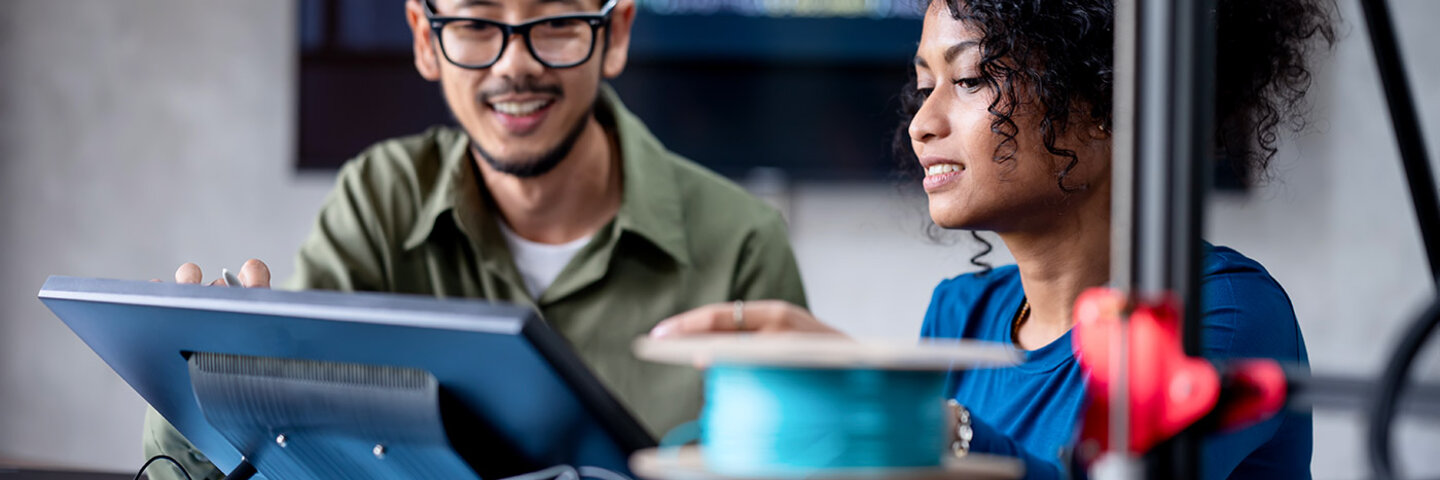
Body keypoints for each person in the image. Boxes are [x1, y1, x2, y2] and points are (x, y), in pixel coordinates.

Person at [651, 0, 1335, 478]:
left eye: (970, 77)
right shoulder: (960, 314)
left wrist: (913, 413)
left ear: (1104, 101)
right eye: (924, 84)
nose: (922, 121)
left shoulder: (1227, 312)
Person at [143, 0, 808, 478]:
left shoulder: (743, 241)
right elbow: (300, 450)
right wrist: (205, 389)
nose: (515, 65)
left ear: (616, 33)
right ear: (425, 39)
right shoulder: (378, 199)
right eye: (473, 23)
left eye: (553, 23)